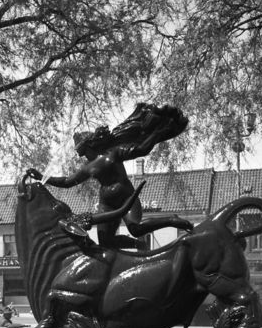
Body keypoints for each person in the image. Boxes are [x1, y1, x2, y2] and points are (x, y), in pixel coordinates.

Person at [28, 103, 192, 250]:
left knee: (136, 228)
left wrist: (157, 133)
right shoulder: (88, 168)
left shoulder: (112, 154)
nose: (82, 156)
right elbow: (66, 182)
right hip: (107, 203)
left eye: (83, 152)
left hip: (126, 197)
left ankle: (171, 220)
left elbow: (141, 150)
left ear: (89, 146)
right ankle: (136, 245)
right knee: (106, 242)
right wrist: (41, 176)